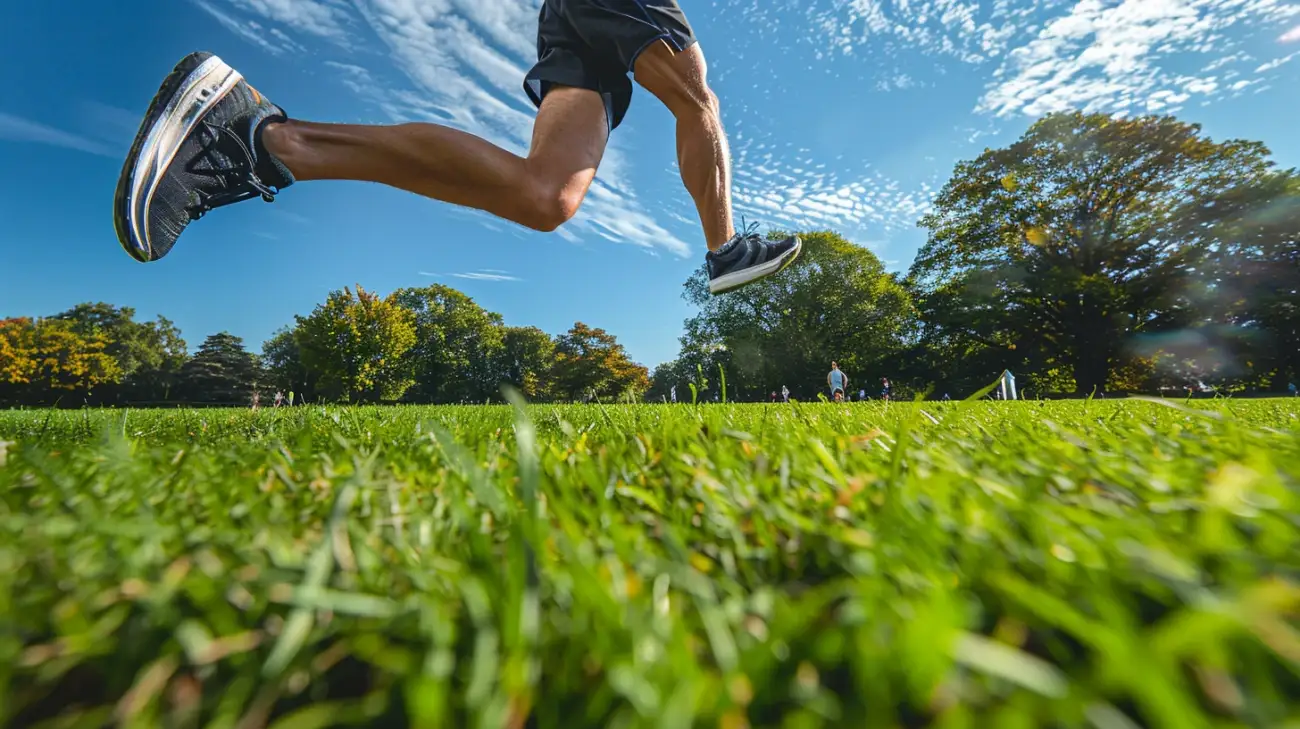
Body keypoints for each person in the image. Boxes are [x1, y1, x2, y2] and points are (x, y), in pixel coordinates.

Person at [113, 1, 802, 297]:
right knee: (696, 96)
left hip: (572, 19)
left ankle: (261, 139)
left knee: (547, 195)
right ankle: (726, 249)